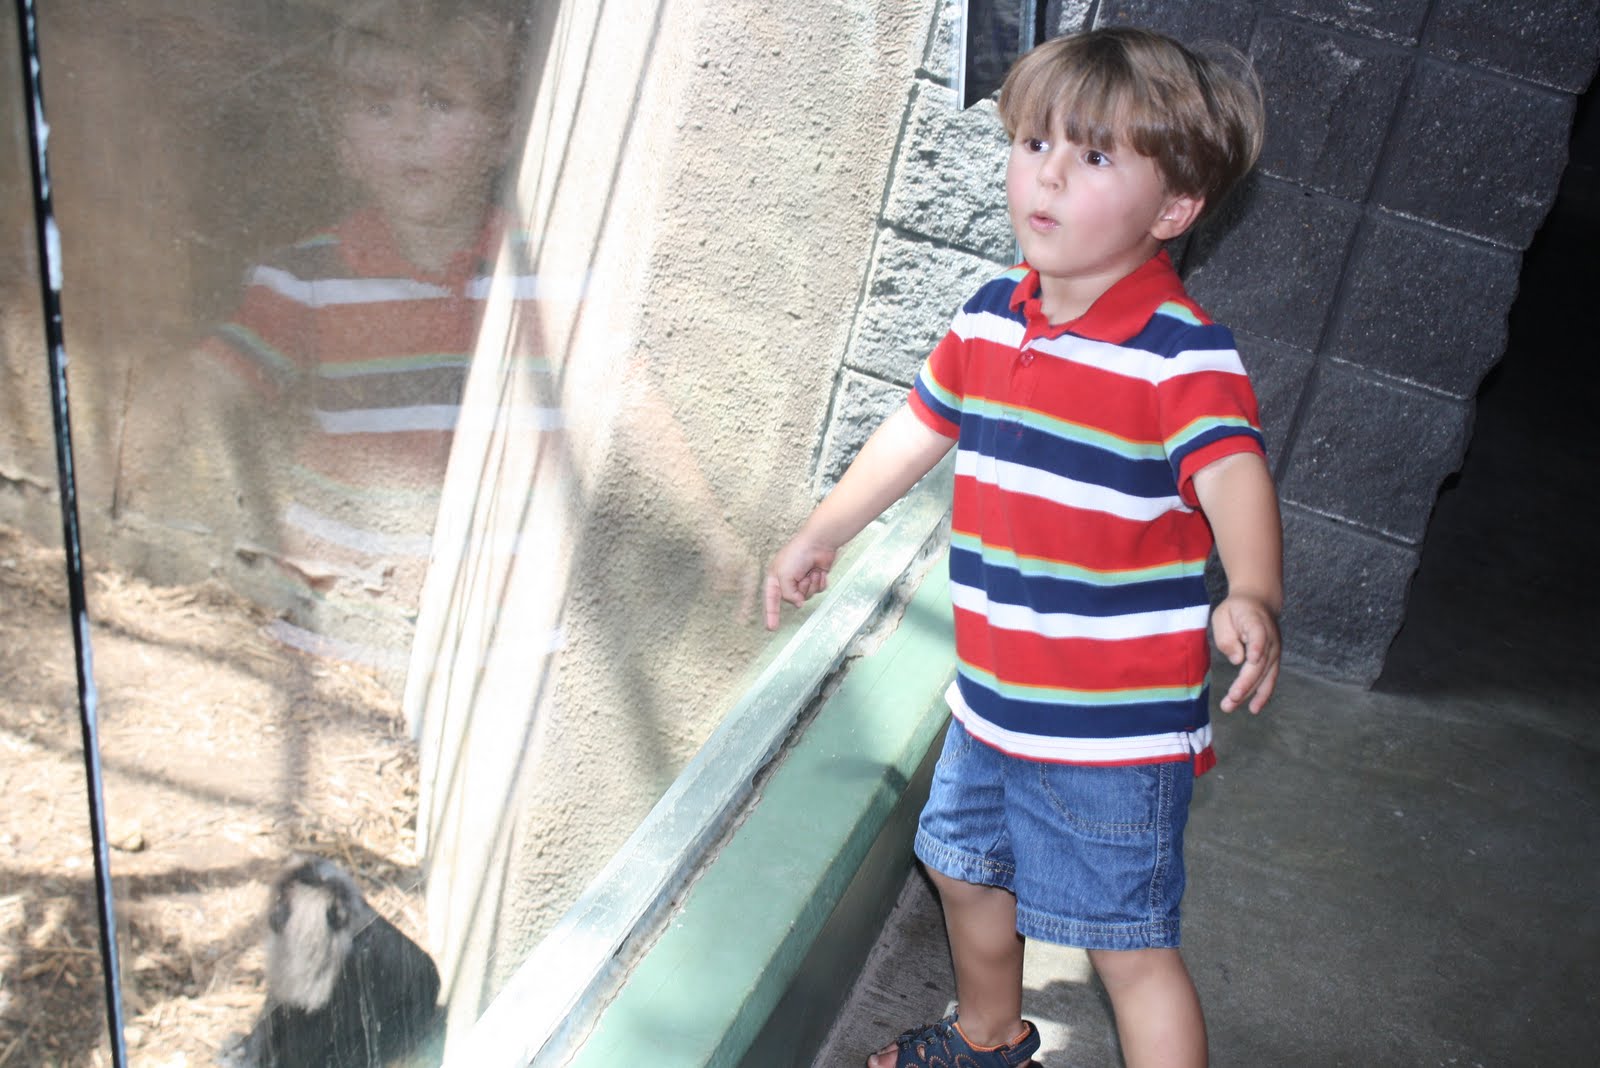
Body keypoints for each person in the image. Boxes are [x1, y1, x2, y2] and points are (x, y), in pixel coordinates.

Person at [765, 27, 1280, 1068]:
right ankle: (987, 1036)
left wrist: (1254, 590)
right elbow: (918, 428)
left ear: (1172, 210)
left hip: (1111, 736)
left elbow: (1234, 472)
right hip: (993, 701)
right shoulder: (992, 315)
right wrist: (824, 528)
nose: (1047, 173)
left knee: (1126, 950)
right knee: (963, 872)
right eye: (1035, 142)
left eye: (1093, 156)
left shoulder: (1178, 354)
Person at [195, 1, 543, 685]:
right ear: (346, 148)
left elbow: (621, 391)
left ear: (501, 135)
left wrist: (712, 537)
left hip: (485, 626)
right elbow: (208, 384)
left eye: (439, 102)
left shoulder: (532, 269)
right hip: (337, 611)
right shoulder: (309, 276)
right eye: (380, 107)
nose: (409, 130)